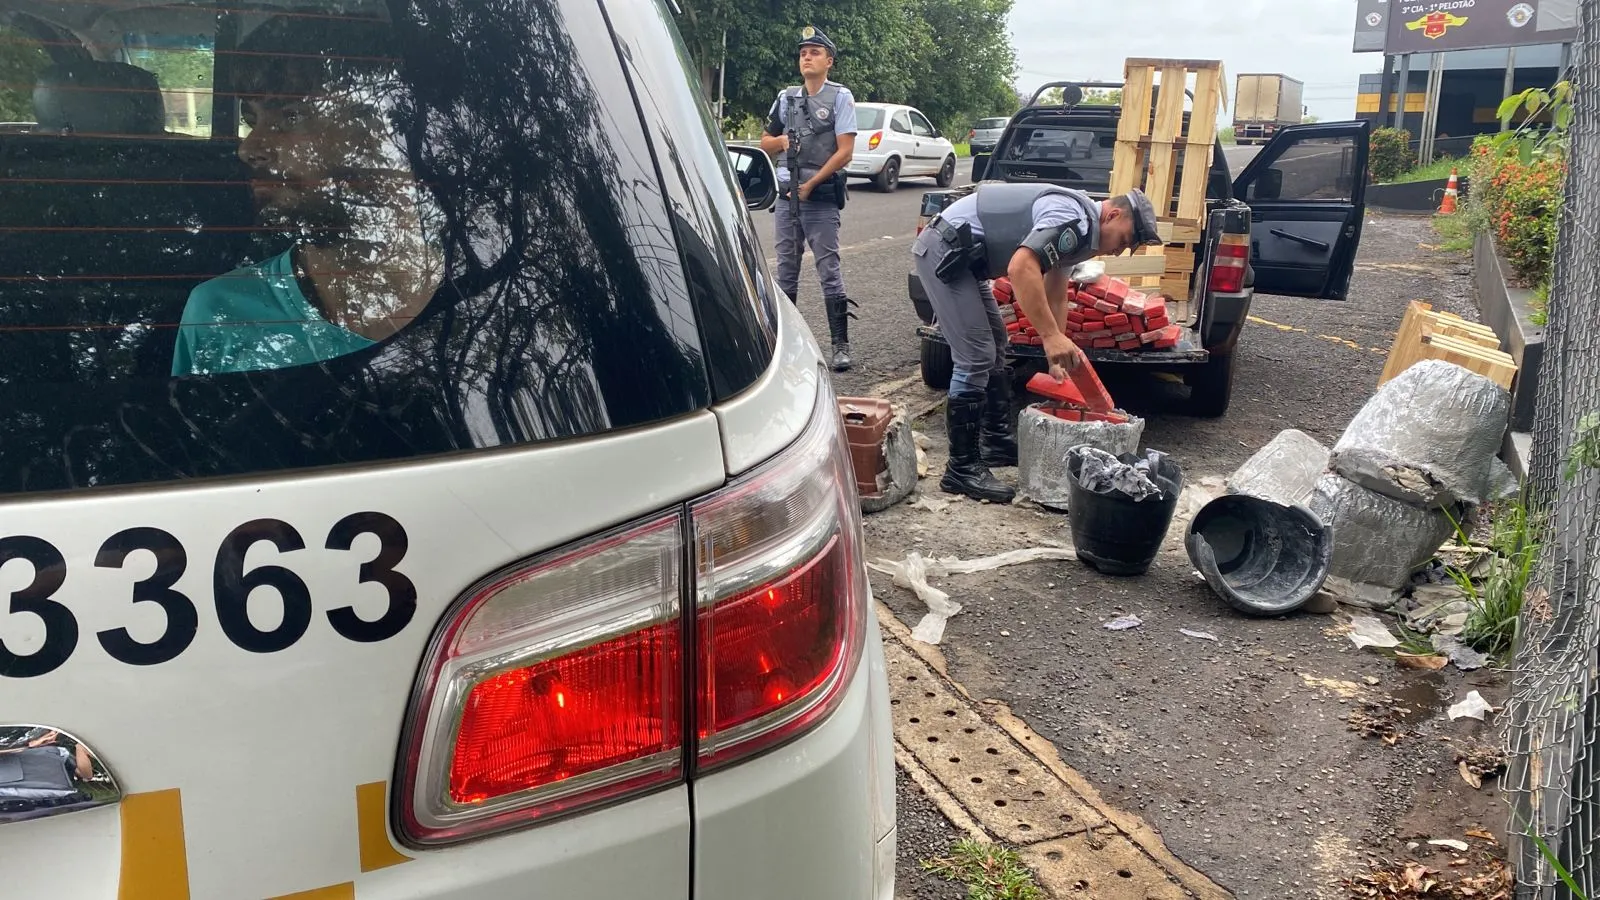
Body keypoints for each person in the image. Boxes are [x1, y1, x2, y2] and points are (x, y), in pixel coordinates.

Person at [171, 13, 441, 376]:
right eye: (251, 121)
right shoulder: (217, 317)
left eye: (293, 116)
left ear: (380, 132)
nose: (248, 148)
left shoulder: (476, 291)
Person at [912, 183, 1162, 502]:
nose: (1118, 251)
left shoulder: (1080, 233)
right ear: (1112, 214)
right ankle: (961, 469)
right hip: (943, 250)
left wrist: (1054, 350)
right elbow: (1021, 267)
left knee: (996, 343)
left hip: (966, 259)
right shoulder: (1071, 217)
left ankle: (994, 442)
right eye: (1124, 240)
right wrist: (1049, 335)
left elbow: (1055, 288)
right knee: (975, 354)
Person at [759, 26, 859, 372]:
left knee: (828, 270)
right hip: (788, 196)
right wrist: (783, 142)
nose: (807, 56)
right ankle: (786, 348)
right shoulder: (786, 98)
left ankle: (840, 346)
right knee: (786, 271)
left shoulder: (840, 97)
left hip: (820, 196)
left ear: (829, 61)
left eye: (815, 52)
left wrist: (813, 183)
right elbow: (765, 142)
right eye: (803, 52)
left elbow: (845, 151)